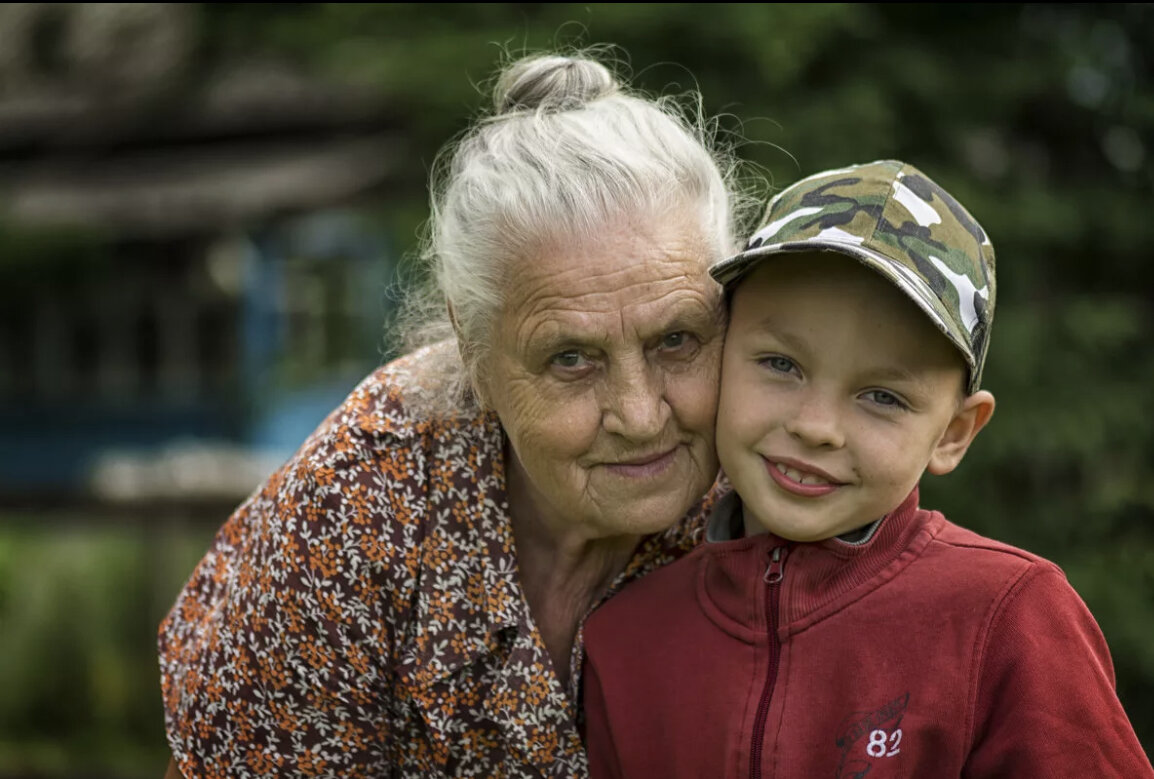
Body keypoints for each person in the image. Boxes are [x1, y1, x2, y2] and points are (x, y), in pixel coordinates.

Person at [158, 50, 753, 778]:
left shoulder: (765, 486)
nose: (638, 412)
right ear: (474, 351)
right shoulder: (356, 507)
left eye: (677, 339)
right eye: (571, 358)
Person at [582, 159, 1154, 778]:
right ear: (718, 355)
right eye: (780, 364)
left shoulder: (1009, 619)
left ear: (954, 434)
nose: (815, 427)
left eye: (882, 396)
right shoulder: (626, 638)